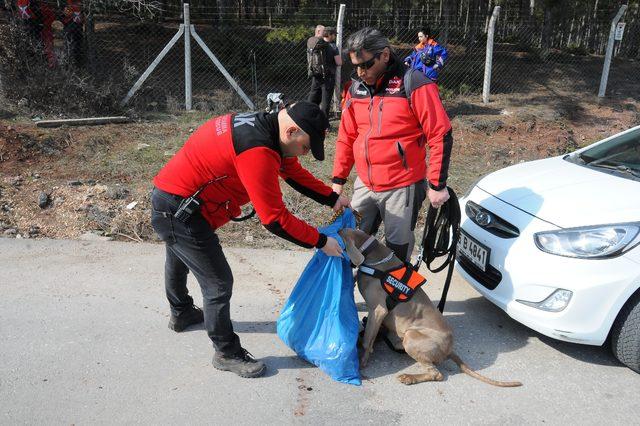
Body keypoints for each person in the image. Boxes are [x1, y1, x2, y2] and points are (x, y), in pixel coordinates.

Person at [151, 101, 350, 378]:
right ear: (291, 131)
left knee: (179, 253)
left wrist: (331, 198)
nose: (304, 154)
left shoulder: (264, 127)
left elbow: (291, 171)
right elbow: (275, 219)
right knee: (218, 282)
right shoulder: (257, 150)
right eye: (306, 147)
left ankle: (182, 312)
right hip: (178, 209)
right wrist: (320, 241)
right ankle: (226, 352)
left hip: (175, 201)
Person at [331, 28, 453, 263]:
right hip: (365, 184)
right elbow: (346, 136)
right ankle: (346, 298)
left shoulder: (414, 83)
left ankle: (395, 298)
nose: (360, 72)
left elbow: (440, 133)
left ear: (385, 55)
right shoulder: (356, 89)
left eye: (366, 64)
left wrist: (437, 184)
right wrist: (337, 181)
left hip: (402, 186)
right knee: (347, 242)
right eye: (355, 65)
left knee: (396, 253)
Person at [307, 26, 341, 118]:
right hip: (328, 76)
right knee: (325, 99)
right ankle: (324, 122)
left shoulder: (315, 44)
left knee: (313, 96)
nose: (335, 37)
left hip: (316, 74)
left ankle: (308, 116)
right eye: (334, 35)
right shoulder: (333, 46)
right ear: (329, 35)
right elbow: (339, 62)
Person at [61, 0, 83, 67]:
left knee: (77, 44)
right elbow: (63, 15)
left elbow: (82, 14)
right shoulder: (67, 3)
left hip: (78, 27)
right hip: (69, 26)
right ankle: (67, 62)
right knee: (69, 44)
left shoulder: (80, 3)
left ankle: (76, 63)